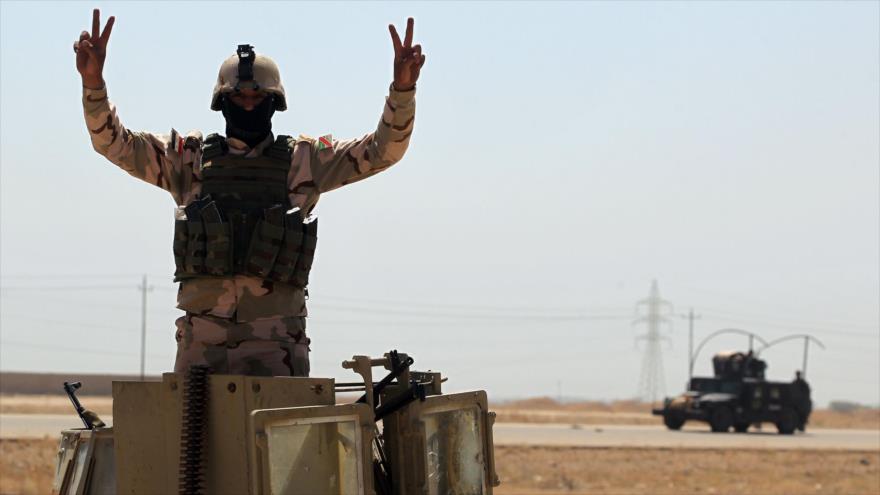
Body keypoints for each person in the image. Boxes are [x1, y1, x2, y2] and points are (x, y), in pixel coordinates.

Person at [74, 9, 425, 377]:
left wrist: (402, 92)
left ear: (274, 102)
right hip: (203, 345)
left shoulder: (305, 160)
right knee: (188, 436)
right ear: (221, 101)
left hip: (277, 347)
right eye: (237, 96)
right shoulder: (187, 159)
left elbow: (383, 151)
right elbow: (114, 144)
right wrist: (93, 85)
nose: (247, 103)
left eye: (257, 97)